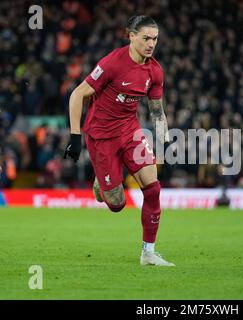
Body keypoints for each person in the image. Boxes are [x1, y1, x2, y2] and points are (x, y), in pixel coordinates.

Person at [63, 16, 175, 267]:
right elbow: (78, 93)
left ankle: (149, 253)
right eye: (146, 38)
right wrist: (74, 136)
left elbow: (157, 111)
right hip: (101, 136)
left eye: (155, 39)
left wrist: (166, 142)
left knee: (153, 189)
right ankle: (100, 183)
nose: (151, 44)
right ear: (131, 36)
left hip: (130, 131)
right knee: (116, 204)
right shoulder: (112, 63)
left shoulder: (155, 70)